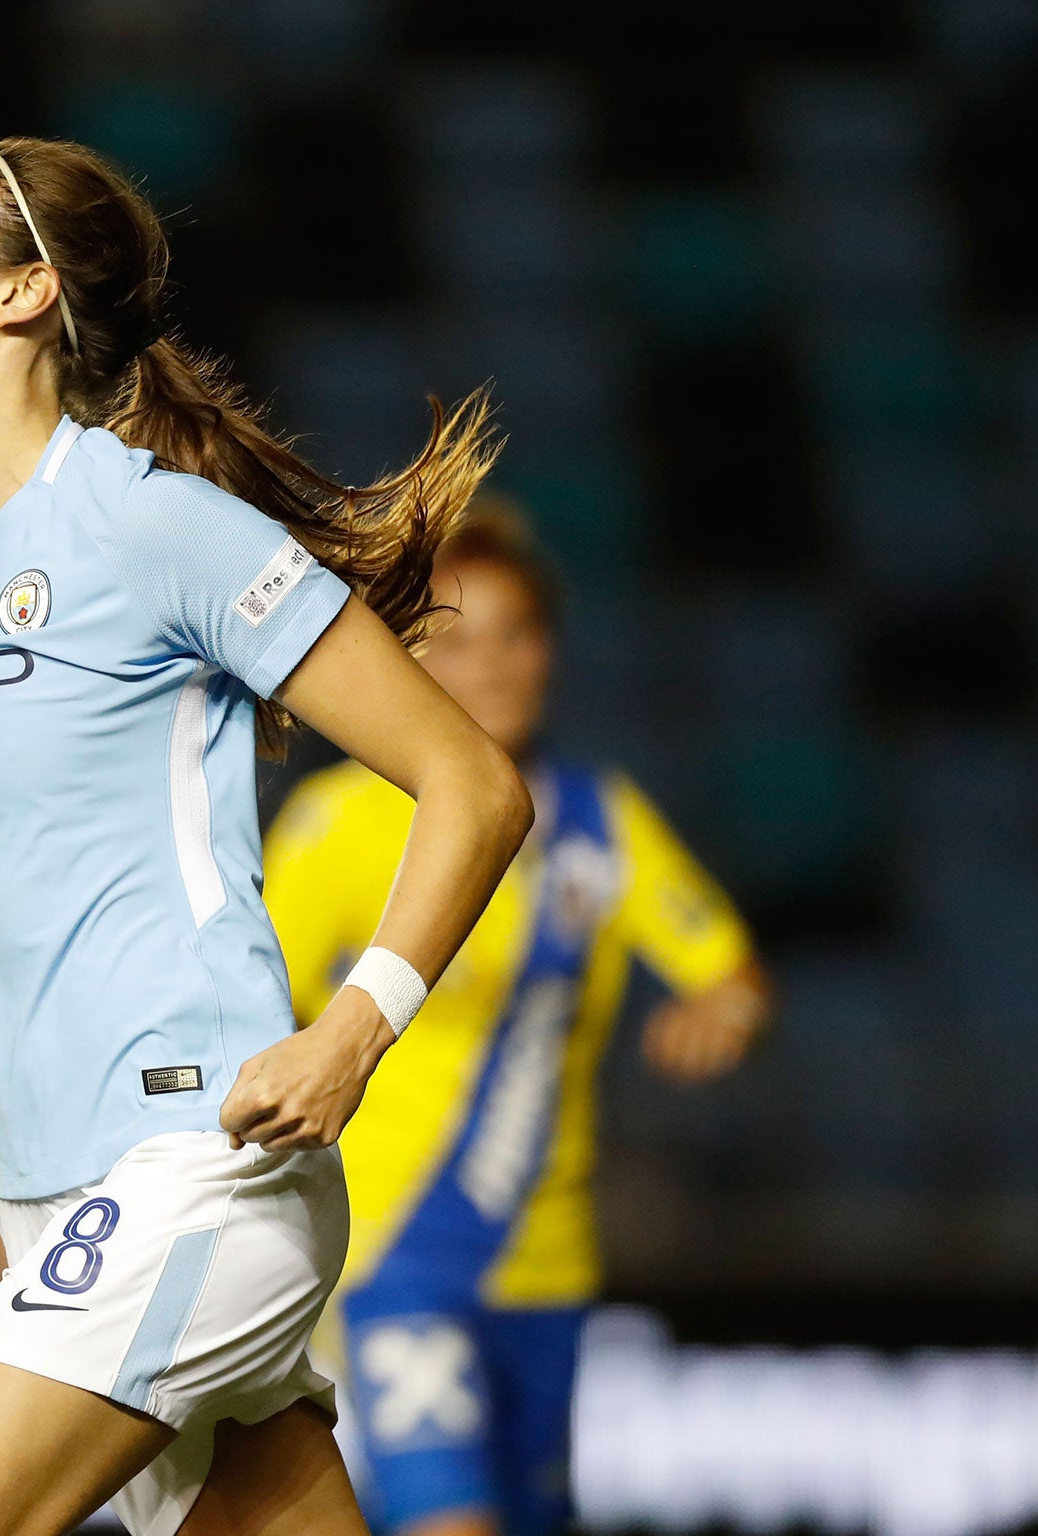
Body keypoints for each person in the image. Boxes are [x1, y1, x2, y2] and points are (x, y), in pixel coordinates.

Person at [0, 137, 532, 1536]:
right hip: (41, 1199)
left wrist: (353, 1029)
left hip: (193, 1163)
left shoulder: (155, 529)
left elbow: (473, 784)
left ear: (24, 294)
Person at [262, 503, 775, 1536]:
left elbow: (728, 973)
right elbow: (244, 1002)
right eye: (455, 638)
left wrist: (721, 1011)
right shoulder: (347, 824)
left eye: (516, 634)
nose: (492, 664)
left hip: (549, 1267)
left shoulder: (598, 823)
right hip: (394, 1253)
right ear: (404, 660)